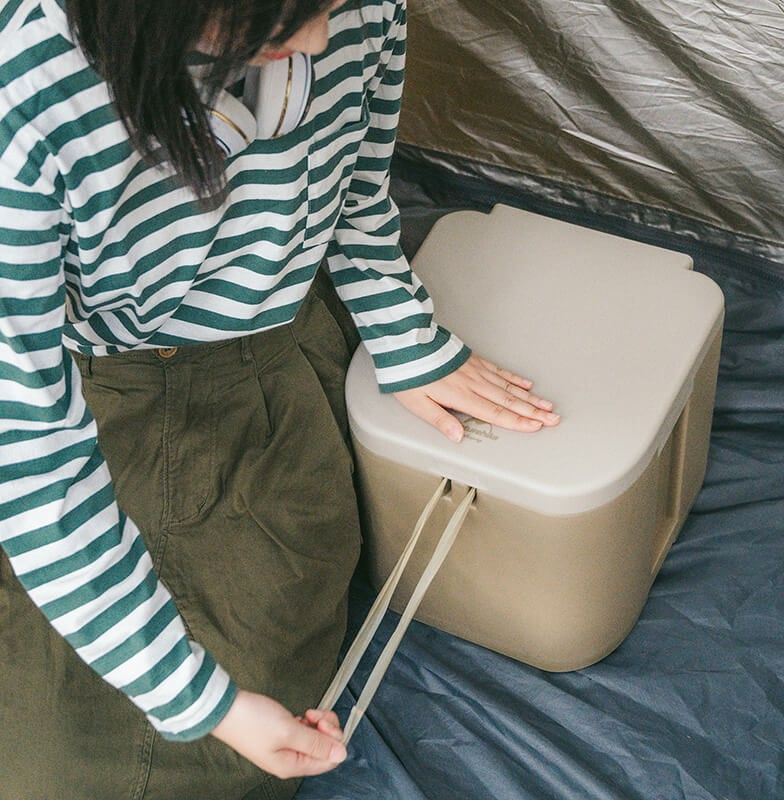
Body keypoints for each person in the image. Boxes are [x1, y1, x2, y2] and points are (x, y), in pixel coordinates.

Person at [0, 0, 560, 797]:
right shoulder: (30, 89)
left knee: (217, 741)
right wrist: (206, 703)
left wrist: (404, 333)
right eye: (277, 22)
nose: (319, 41)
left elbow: (359, 192)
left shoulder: (363, 13)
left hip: (268, 366)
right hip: (84, 382)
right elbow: (33, 461)